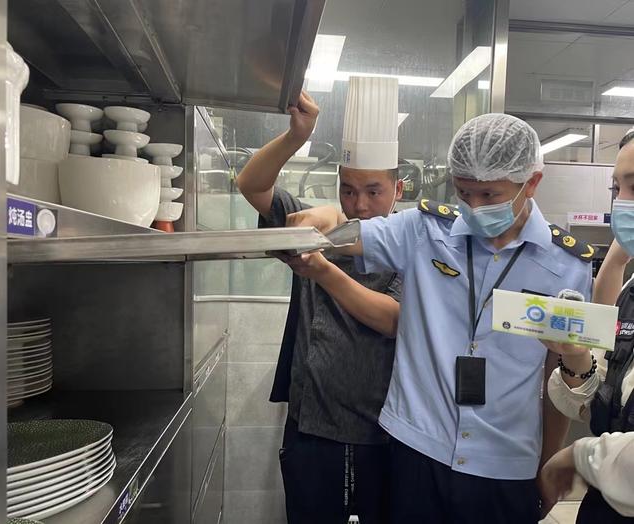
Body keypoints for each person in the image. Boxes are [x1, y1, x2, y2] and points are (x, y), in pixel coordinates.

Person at [294, 113, 595, 523]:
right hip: (417, 450)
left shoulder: (568, 266)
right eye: (463, 192)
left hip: (504, 464)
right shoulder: (425, 231)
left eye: (489, 195)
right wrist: (322, 219)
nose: (473, 207)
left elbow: (554, 378)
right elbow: (352, 232)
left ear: (532, 183)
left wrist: (546, 464)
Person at [236, 80, 403, 523]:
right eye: (348, 190)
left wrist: (323, 271)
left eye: (373, 191)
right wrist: (296, 137)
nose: (360, 204)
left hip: (366, 431)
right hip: (306, 424)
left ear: (397, 190)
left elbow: (392, 319)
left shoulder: (411, 245)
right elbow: (251, 184)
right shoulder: (319, 225)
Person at [539, 129, 634, 522]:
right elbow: (601, 398)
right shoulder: (631, 292)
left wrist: (580, 456)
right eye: (618, 187)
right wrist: (576, 357)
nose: (624, 203)